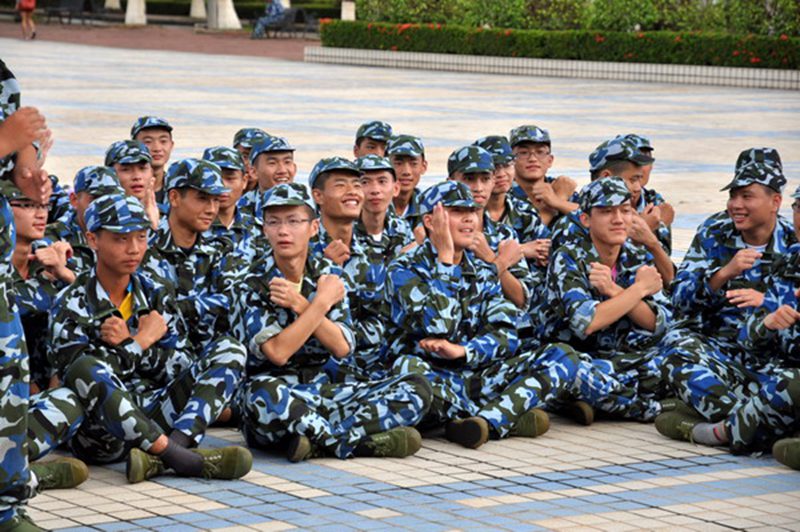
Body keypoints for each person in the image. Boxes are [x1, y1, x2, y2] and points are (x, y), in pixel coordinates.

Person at [49, 193, 251, 484]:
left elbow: (181, 364)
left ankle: (174, 450)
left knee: (230, 349)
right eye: (121, 239)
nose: (134, 249)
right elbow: (81, 380)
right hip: (102, 433)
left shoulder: (155, 292)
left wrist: (135, 348)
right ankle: (180, 459)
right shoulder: (71, 302)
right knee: (85, 368)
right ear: (93, 240)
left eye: (141, 237)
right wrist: (141, 341)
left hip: (155, 411)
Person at [234, 182, 431, 462]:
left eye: (294, 221)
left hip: (326, 390)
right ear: (264, 229)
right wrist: (320, 304)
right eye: (274, 222)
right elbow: (278, 352)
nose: (283, 231)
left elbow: (341, 347)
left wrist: (302, 304)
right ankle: (355, 442)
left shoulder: (328, 275)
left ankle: (315, 441)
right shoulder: (253, 282)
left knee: (416, 387)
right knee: (261, 395)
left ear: (313, 227)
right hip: (280, 393)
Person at [386, 181, 577, 449]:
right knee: (407, 370)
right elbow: (440, 325)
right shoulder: (403, 268)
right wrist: (445, 260)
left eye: (473, 212)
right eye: (456, 211)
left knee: (562, 355)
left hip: (476, 372)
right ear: (430, 221)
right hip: (433, 376)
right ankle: (505, 413)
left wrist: (465, 351)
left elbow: (506, 335)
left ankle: (483, 421)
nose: (469, 219)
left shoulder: (482, 269)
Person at [657, 159, 800, 456]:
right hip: (722, 347)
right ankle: (754, 424)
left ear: (775, 202)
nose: (736, 205)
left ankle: (715, 428)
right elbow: (680, 302)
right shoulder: (715, 232)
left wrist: (767, 305)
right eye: (733, 196)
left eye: (747, 196)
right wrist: (723, 274)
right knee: (675, 351)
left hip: (772, 360)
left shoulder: (790, 243)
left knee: (789, 383)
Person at [540, 177, 673, 422]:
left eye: (625, 210)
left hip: (617, 357)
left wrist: (614, 290)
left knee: (673, 357)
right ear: (585, 219)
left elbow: (657, 323)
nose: (618, 219)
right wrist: (638, 290)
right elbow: (587, 322)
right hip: (574, 355)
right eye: (606, 212)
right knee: (574, 372)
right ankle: (653, 409)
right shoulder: (568, 257)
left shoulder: (635, 255)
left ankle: (594, 402)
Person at [45, 165, 125, 275]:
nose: (105, 206)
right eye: (96, 199)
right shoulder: (52, 237)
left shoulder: (126, 233)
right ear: (74, 200)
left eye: (112, 199)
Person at [201, 146, 263, 262]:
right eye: (215, 178)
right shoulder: (192, 227)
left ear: (244, 181)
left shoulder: (257, 229)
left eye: (230, 178)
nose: (223, 186)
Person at [508, 125, 578, 226]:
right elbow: (521, 234)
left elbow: (593, 221)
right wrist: (557, 202)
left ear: (550, 160)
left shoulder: (560, 186)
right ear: (512, 161)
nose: (532, 159)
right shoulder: (503, 193)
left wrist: (558, 202)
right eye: (523, 153)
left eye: (540, 152)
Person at [353, 154, 415, 265]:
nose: (375, 190)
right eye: (365, 182)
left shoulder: (401, 229)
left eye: (382, 181)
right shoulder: (345, 230)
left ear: (396, 188)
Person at [104, 140, 160, 226]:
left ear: (152, 173)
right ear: (110, 175)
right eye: (126, 169)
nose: (137, 176)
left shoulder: (168, 216)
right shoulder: (100, 216)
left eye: (142, 168)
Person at [131, 116, 174, 211]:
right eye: (148, 142)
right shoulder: (125, 188)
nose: (157, 148)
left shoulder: (178, 188)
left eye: (163, 141)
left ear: (171, 145)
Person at [386, 134, 427, 223]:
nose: (406, 172)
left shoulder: (429, 208)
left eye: (413, 164)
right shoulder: (374, 205)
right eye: (398, 163)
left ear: (423, 167)